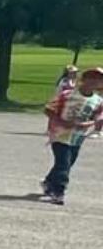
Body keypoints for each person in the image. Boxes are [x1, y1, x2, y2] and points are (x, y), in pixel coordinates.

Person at [41, 66, 103, 206]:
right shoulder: (67, 94)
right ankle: (58, 192)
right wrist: (62, 122)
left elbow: (98, 118)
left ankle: (49, 182)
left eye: (98, 79)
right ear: (83, 79)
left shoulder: (98, 101)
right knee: (63, 163)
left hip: (77, 137)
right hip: (59, 134)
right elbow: (48, 109)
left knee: (67, 163)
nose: (94, 81)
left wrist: (87, 124)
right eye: (91, 77)